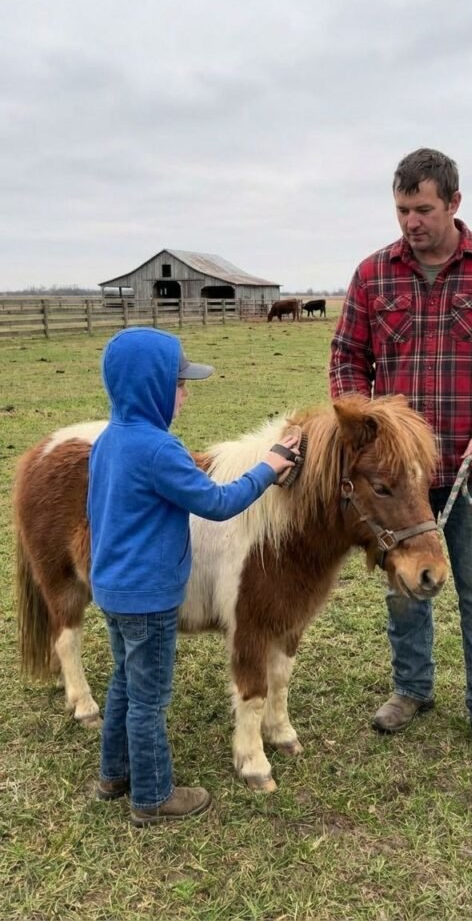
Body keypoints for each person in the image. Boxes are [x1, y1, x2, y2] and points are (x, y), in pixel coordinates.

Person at [329, 148, 472, 768]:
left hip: (471, 472)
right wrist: (364, 433)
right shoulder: (373, 276)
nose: (410, 222)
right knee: (404, 589)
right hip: (397, 484)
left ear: (454, 203)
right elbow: (348, 360)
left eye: (422, 209)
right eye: (401, 209)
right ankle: (412, 689)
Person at [88, 326, 300, 826]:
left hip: (113, 590)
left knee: (123, 682)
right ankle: (153, 796)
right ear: (152, 386)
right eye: (178, 383)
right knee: (149, 700)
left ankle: (113, 773)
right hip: (151, 596)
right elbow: (217, 502)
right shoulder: (160, 450)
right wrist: (269, 467)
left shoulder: (107, 441)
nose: (184, 393)